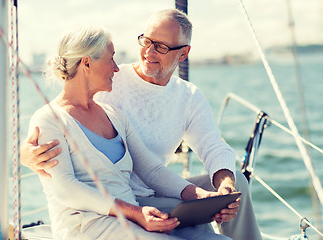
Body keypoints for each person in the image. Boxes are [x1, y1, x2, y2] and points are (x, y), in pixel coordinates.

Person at [22, 9, 262, 240]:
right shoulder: (102, 88)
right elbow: (57, 156)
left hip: (145, 199)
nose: (149, 52)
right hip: (104, 214)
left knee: (226, 203)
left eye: (161, 46)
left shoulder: (129, 109)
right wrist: (22, 155)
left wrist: (204, 195)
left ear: (183, 53)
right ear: (87, 63)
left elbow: (160, 168)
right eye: (146, 41)